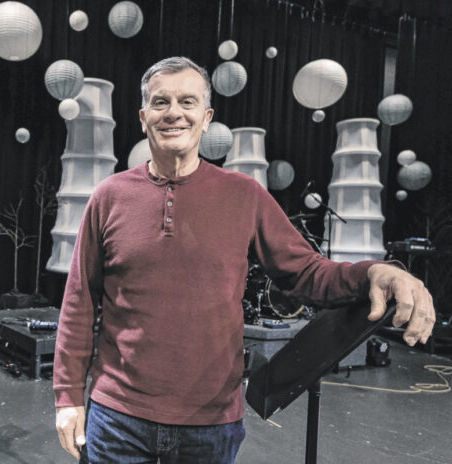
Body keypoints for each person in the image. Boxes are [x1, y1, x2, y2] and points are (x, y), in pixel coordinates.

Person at [53, 56, 435, 463]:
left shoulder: (244, 194)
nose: (174, 113)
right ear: (144, 117)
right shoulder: (109, 196)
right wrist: (68, 396)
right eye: (160, 102)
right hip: (118, 417)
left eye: (187, 101)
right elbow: (79, 302)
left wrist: (376, 272)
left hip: (211, 423)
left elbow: (306, 272)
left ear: (206, 118)